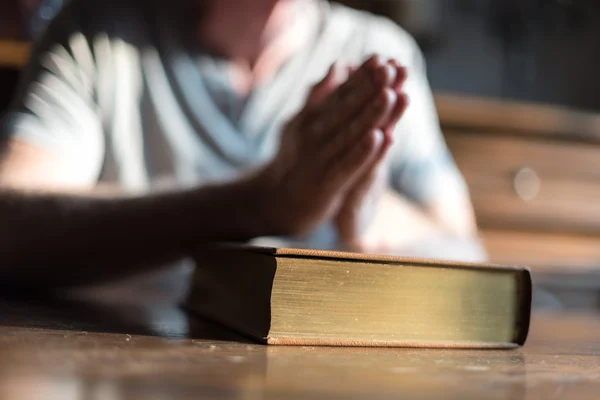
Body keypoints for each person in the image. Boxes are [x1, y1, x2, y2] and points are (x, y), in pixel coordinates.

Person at [0, 0, 485, 291]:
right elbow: (12, 226)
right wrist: (260, 202)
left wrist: (364, 219)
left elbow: (467, 252)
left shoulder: (378, 51)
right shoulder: (97, 35)